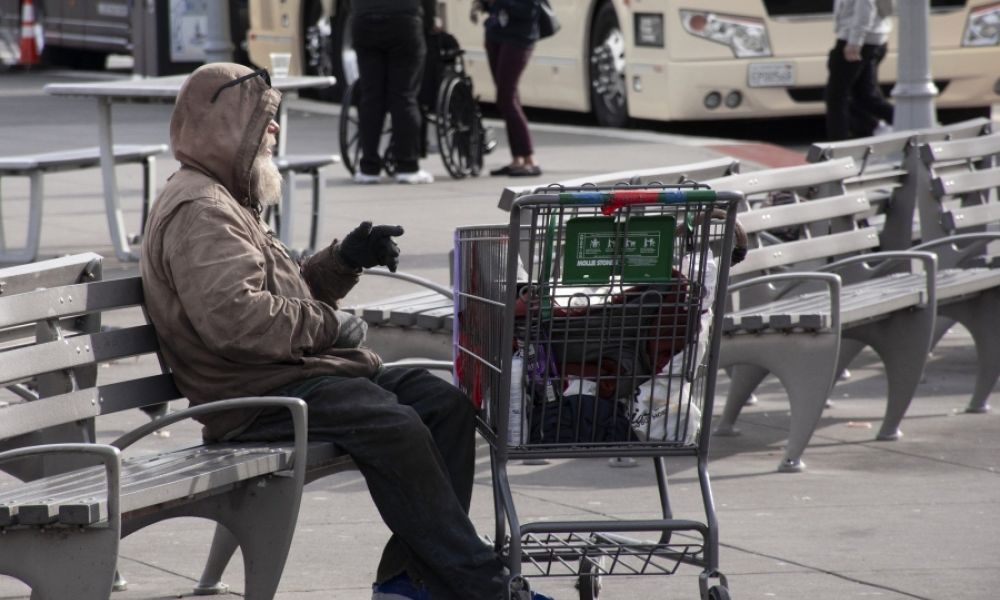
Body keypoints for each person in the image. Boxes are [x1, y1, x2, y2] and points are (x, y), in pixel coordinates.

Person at [140, 63, 552, 600]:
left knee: (442, 405)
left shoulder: (226, 197)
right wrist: (332, 325)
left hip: (290, 374)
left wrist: (343, 260)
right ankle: (485, 588)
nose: (274, 132)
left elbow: (278, 298)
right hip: (251, 395)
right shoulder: (201, 210)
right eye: (263, 121)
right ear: (222, 126)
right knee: (393, 424)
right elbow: (238, 322)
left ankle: (411, 580)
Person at [352, 0, 435, 184]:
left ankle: (369, 168)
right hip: (404, 20)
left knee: (371, 97)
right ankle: (407, 166)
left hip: (364, 20)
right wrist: (429, 22)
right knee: (404, 96)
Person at [475, 0, 543, 177]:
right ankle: (517, 158)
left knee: (505, 97)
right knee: (508, 97)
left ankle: (530, 158)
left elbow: (529, 8)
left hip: (519, 37)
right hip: (496, 33)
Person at [824, 0, 895, 141]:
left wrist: (855, 42)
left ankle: (838, 144)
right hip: (874, 40)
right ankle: (907, 122)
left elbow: (865, 10)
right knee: (865, 95)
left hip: (856, 42)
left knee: (836, 96)